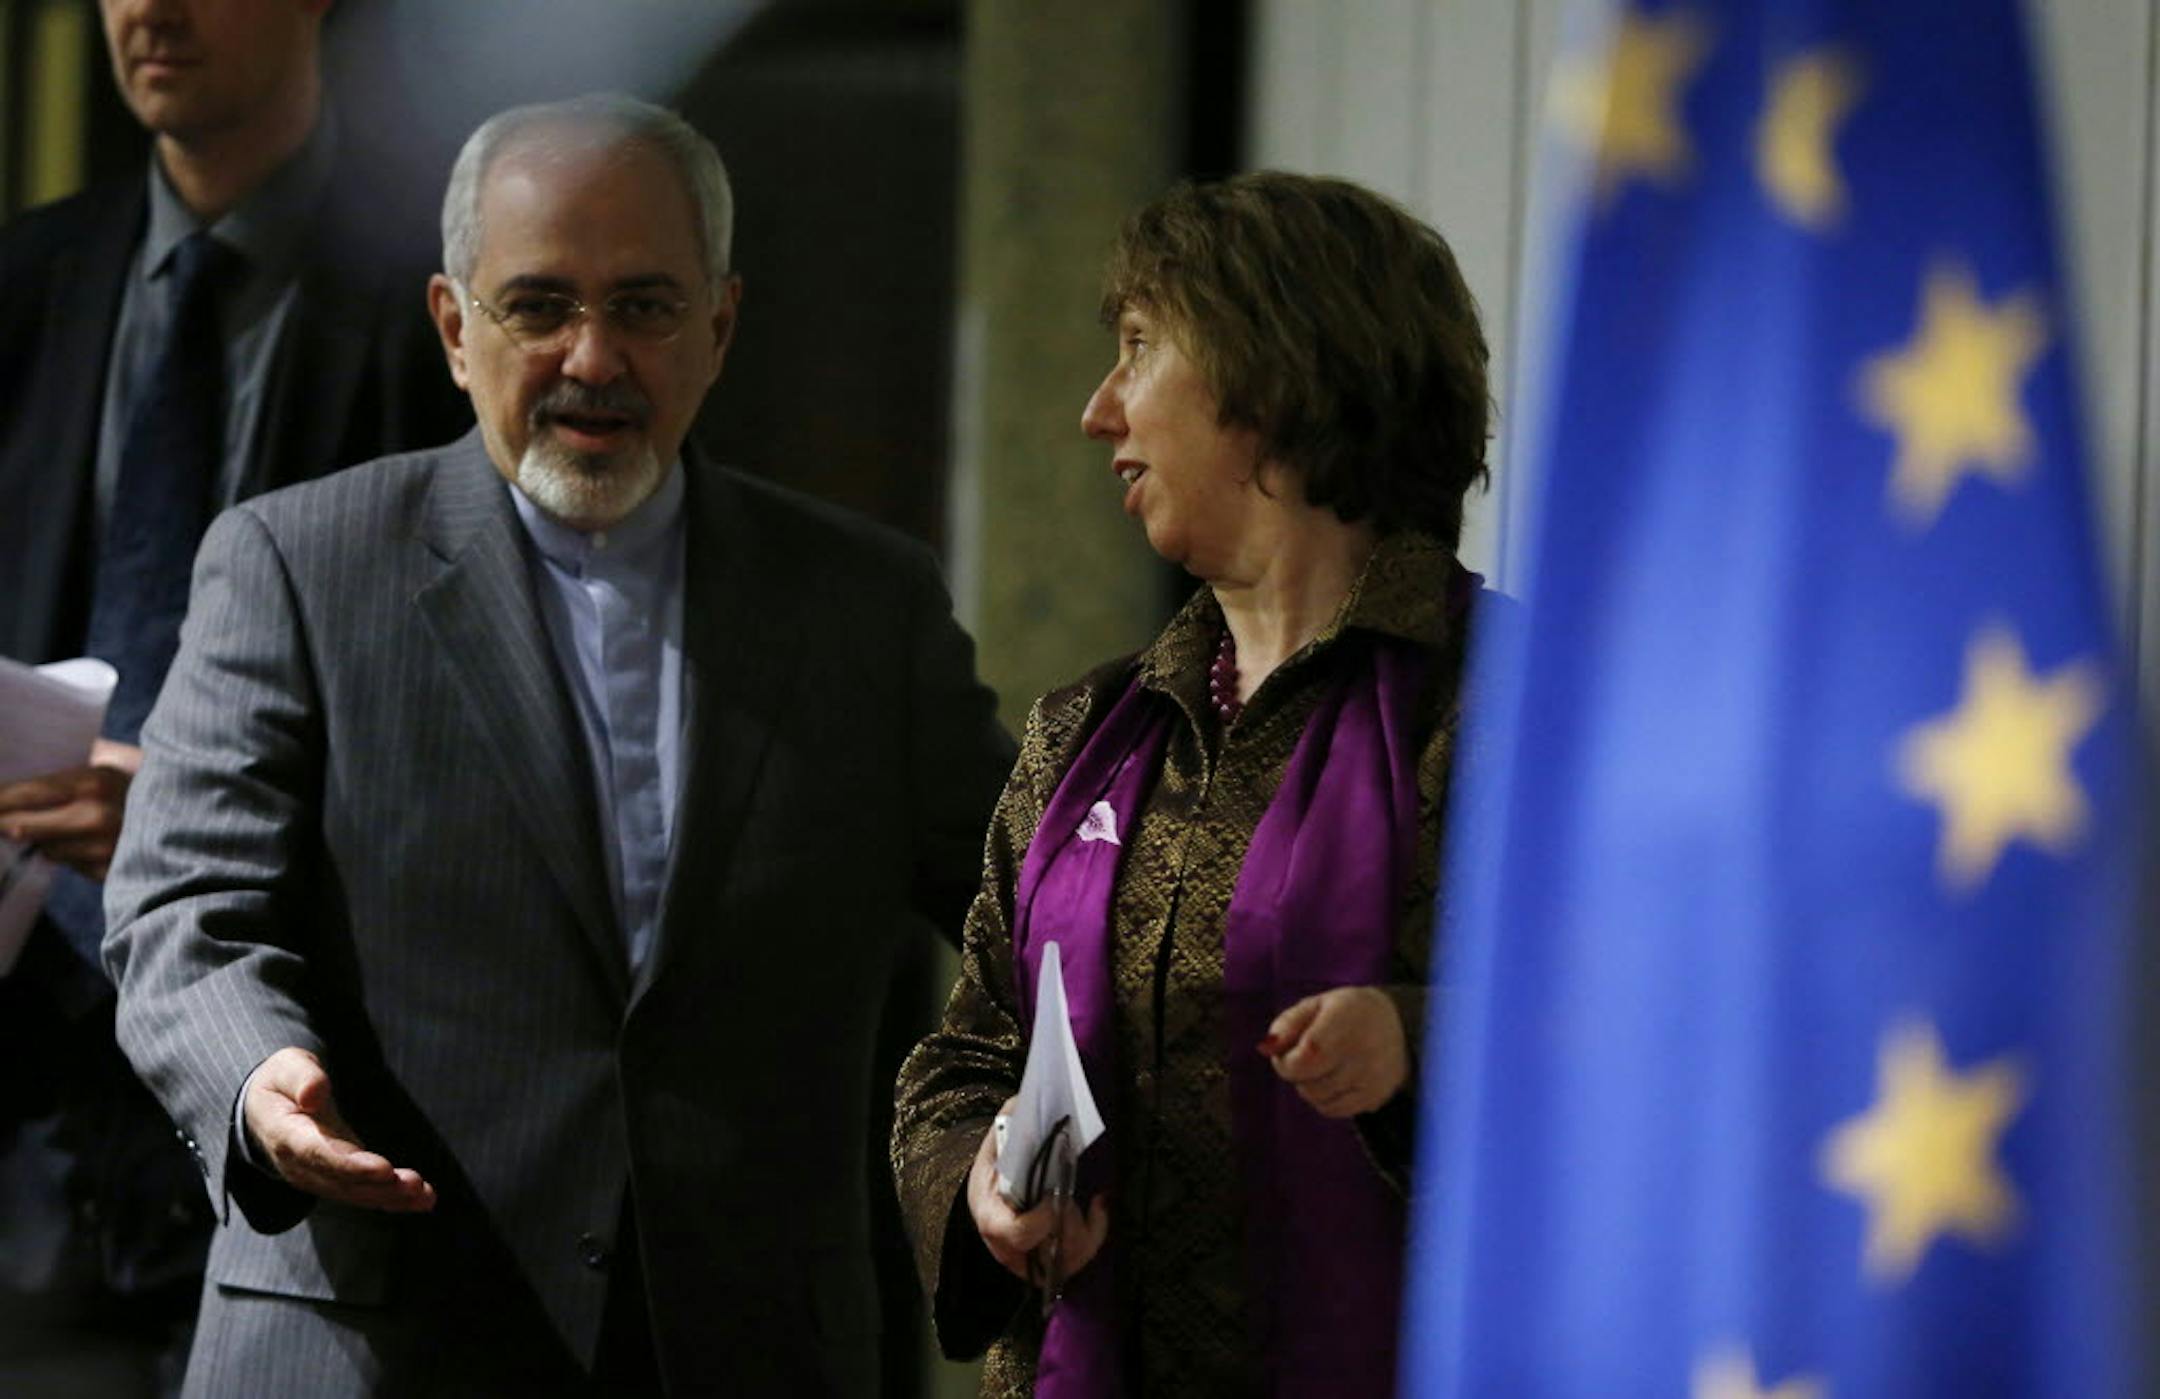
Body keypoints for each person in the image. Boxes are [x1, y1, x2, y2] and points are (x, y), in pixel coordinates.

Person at [101, 93, 1014, 1395]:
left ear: (722, 325)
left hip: (744, 1347)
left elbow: (1032, 904)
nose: (594, 357)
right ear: (453, 328)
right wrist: (259, 1075)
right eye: (538, 305)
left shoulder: (864, 605)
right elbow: (184, 897)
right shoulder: (296, 563)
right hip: (371, 1339)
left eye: (645, 305)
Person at [891, 171, 1494, 1396]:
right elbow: (962, 1057)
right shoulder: (1085, 730)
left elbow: (1641, 1033)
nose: (1097, 411)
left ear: (1272, 372)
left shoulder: (1510, 708)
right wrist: (989, 1181)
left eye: (1138, 350)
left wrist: (1414, 1042)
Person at [0, 0, 466, 1391]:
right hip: (31, 1120)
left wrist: (190, 806)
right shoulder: (30, 285)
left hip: (317, 1099)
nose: (148, 6)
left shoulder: (443, 297)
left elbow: (495, 736)